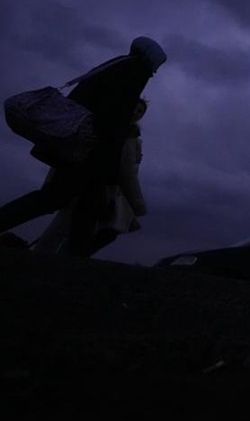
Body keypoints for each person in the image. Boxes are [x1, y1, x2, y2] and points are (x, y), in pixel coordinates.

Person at [0, 37, 166, 255]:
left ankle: (73, 259)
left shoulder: (116, 64)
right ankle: (72, 260)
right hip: (91, 151)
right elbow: (113, 111)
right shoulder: (135, 70)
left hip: (81, 146)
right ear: (151, 57)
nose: (155, 71)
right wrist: (105, 141)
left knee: (82, 204)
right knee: (60, 199)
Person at [33, 99, 149, 256]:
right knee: (68, 225)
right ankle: (49, 257)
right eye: (134, 108)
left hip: (107, 189)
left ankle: (59, 258)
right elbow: (126, 170)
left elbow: (129, 169)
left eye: (140, 111)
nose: (136, 113)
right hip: (90, 184)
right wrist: (137, 204)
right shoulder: (113, 129)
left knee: (96, 230)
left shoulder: (132, 136)